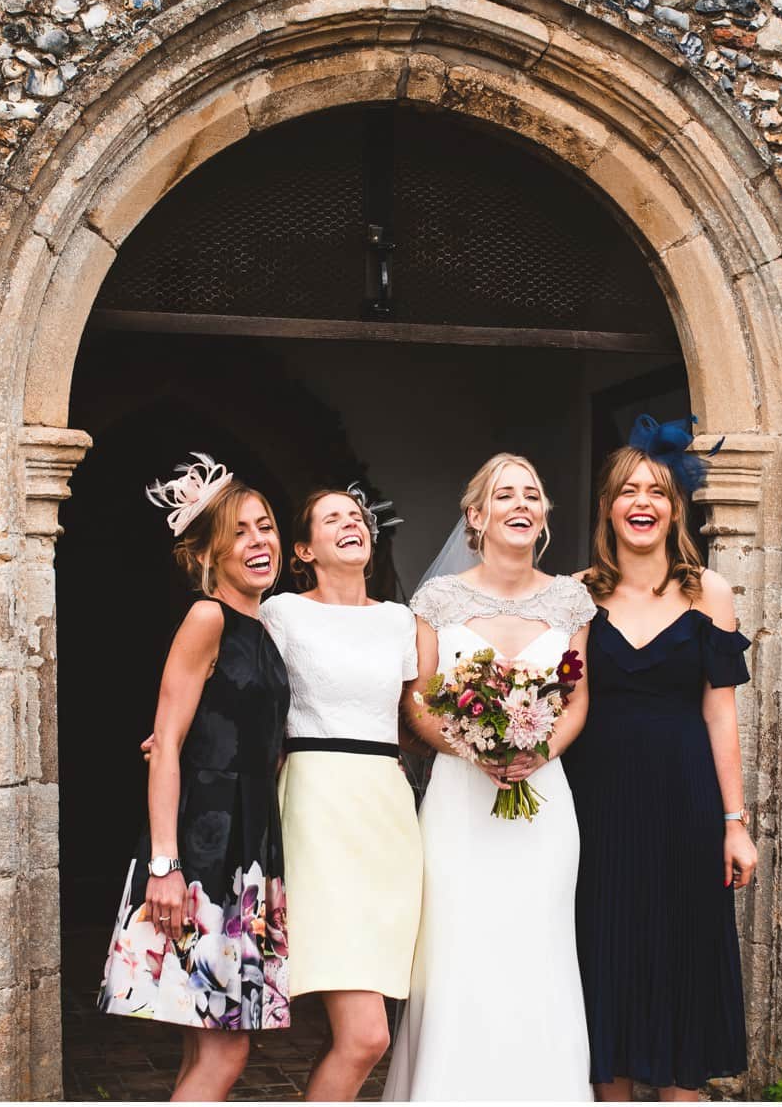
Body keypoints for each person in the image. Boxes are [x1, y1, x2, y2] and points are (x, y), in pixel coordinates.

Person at [384, 454, 598, 1101]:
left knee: (541, 949)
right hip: (458, 800)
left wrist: (539, 751)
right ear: (476, 516)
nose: (521, 504)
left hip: (544, 804)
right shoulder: (438, 600)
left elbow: (577, 697)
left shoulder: (570, 601)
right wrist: (471, 748)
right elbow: (417, 699)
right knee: (458, 950)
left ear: (543, 516)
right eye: (505, 495)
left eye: (532, 494)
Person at [569, 419, 756, 1099]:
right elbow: (561, 705)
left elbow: (719, 711)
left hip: (685, 803)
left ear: (675, 507)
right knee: (607, 968)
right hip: (599, 806)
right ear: (609, 507)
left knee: (682, 972)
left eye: (656, 490)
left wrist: (735, 822)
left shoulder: (711, 592)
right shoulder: (577, 594)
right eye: (627, 490)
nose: (641, 501)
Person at [98, 455, 291, 1101]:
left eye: (265, 527)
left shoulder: (265, 630)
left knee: (205, 1046)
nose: (260, 541)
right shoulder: (207, 619)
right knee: (227, 1051)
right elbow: (168, 746)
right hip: (201, 859)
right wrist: (164, 866)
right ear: (209, 550)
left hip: (248, 858)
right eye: (240, 531)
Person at [262, 487, 422, 1101]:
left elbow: (417, 722)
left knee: (372, 1029)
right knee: (367, 1037)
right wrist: (182, 738)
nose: (351, 524)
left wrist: (493, 738)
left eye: (356, 517)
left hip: (387, 808)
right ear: (304, 549)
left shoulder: (399, 620)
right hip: (316, 802)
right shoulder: (283, 613)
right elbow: (247, 695)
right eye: (333, 519)